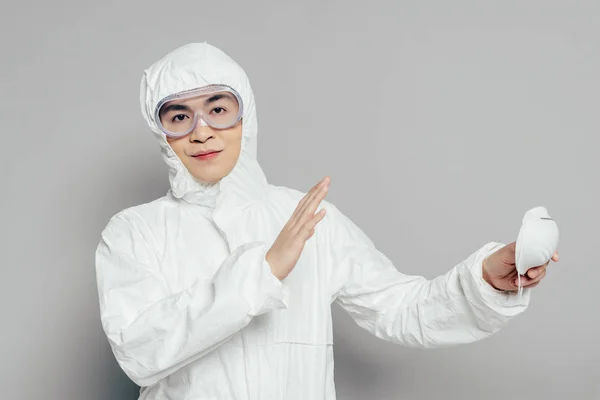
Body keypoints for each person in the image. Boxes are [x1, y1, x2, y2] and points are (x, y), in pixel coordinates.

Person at [94, 42, 559, 400]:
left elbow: (404, 309)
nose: (201, 131)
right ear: (162, 131)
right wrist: (263, 271)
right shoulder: (134, 232)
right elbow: (139, 351)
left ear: (245, 115)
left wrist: (486, 281)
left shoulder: (310, 220)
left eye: (218, 108)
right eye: (179, 115)